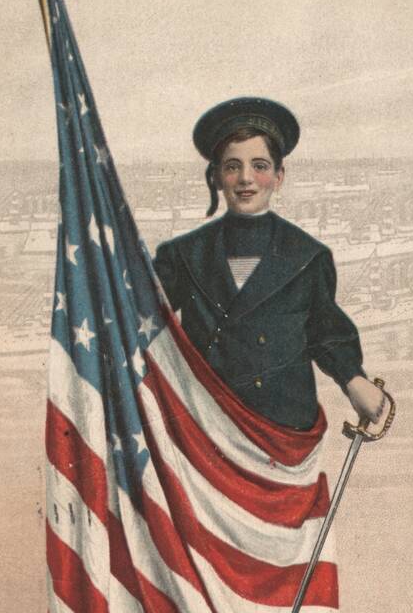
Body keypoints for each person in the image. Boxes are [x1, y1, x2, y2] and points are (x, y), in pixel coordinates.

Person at [154, 97, 385, 430]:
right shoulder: (182, 255)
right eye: (232, 166)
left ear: (279, 176)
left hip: (284, 426)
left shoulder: (309, 256)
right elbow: (140, 319)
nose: (246, 178)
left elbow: (324, 330)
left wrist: (353, 380)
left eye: (259, 166)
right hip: (205, 424)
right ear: (217, 177)